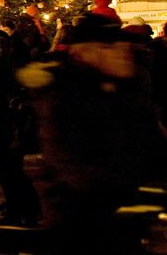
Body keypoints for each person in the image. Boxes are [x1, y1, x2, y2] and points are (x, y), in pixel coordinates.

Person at [20, 13, 166, 254]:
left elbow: (152, 142)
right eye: (109, 46)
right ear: (85, 52)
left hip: (129, 221)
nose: (123, 51)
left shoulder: (128, 90)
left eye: (123, 44)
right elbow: (74, 163)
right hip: (83, 223)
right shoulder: (64, 96)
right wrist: (137, 190)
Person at [0, 28, 42, 226]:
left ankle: (22, 209)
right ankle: (26, 206)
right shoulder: (15, 68)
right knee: (13, 169)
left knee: (8, 171)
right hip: (13, 125)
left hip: (3, 125)